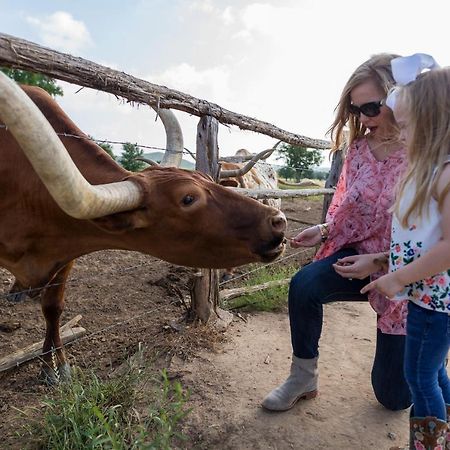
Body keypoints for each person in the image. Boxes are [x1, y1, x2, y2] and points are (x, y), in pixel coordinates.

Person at [262, 53, 412, 412]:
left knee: (394, 398)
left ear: (398, 98)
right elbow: (351, 205)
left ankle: (430, 357)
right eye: (355, 109)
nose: (362, 118)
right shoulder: (358, 151)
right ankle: (303, 377)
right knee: (304, 285)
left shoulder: (428, 153)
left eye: (371, 107)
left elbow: (438, 240)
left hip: (410, 273)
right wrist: (325, 229)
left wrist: (379, 261)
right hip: (359, 257)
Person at [356, 54, 450, 449]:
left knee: (419, 376)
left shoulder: (446, 175)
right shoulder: (424, 172)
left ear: (435, 123)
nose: (403, 133)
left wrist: (398, 277)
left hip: (434, 299)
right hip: (423, 294)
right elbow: (418, 237)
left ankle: (429, 445)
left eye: (409, 125)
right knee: (433, 370)